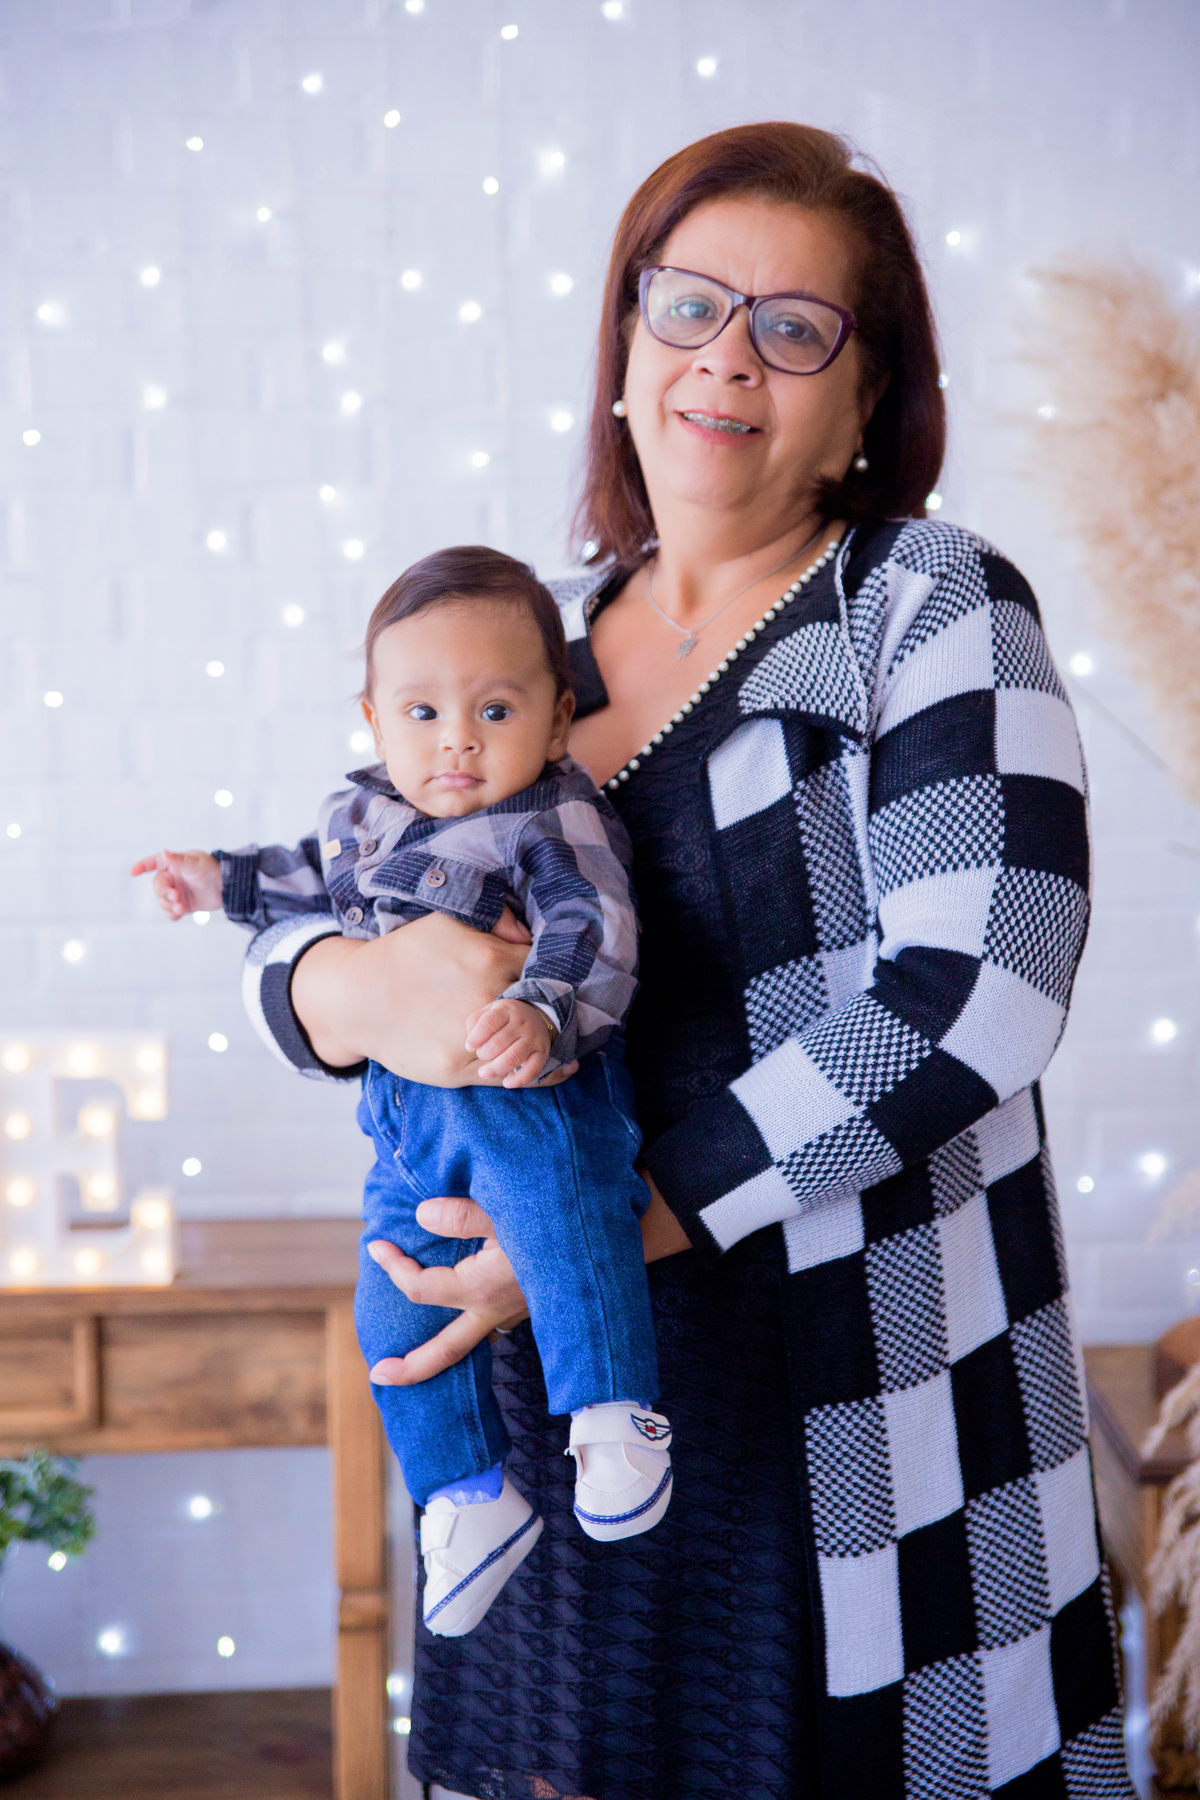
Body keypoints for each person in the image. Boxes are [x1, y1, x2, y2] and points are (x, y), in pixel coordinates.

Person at [233, 124, 1132, 1799]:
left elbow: (985, 981)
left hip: (853, 1398)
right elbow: (322, 886)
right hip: (554, 1420)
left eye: (795, 327)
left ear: (867, 397)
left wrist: (603, 1226)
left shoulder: (921, 603)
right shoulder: (527, 638)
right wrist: (336, 993)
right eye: (691, 305)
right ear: (627, 347)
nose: (728, 357)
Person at [131, 545, 675, 1640]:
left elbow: (595, 925)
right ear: (375, 721)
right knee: (387, 1304)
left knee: (567, 1224)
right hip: (401, 1129)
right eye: (423, 712)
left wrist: (544, 1011)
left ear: (559, 719)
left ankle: (614, 1414)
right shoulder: (359, 814)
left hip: (530, 1093)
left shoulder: (550, 815)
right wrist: (216, 880)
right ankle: (465, 1496)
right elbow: (297, 876)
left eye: (495, 709)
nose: (457, 739)